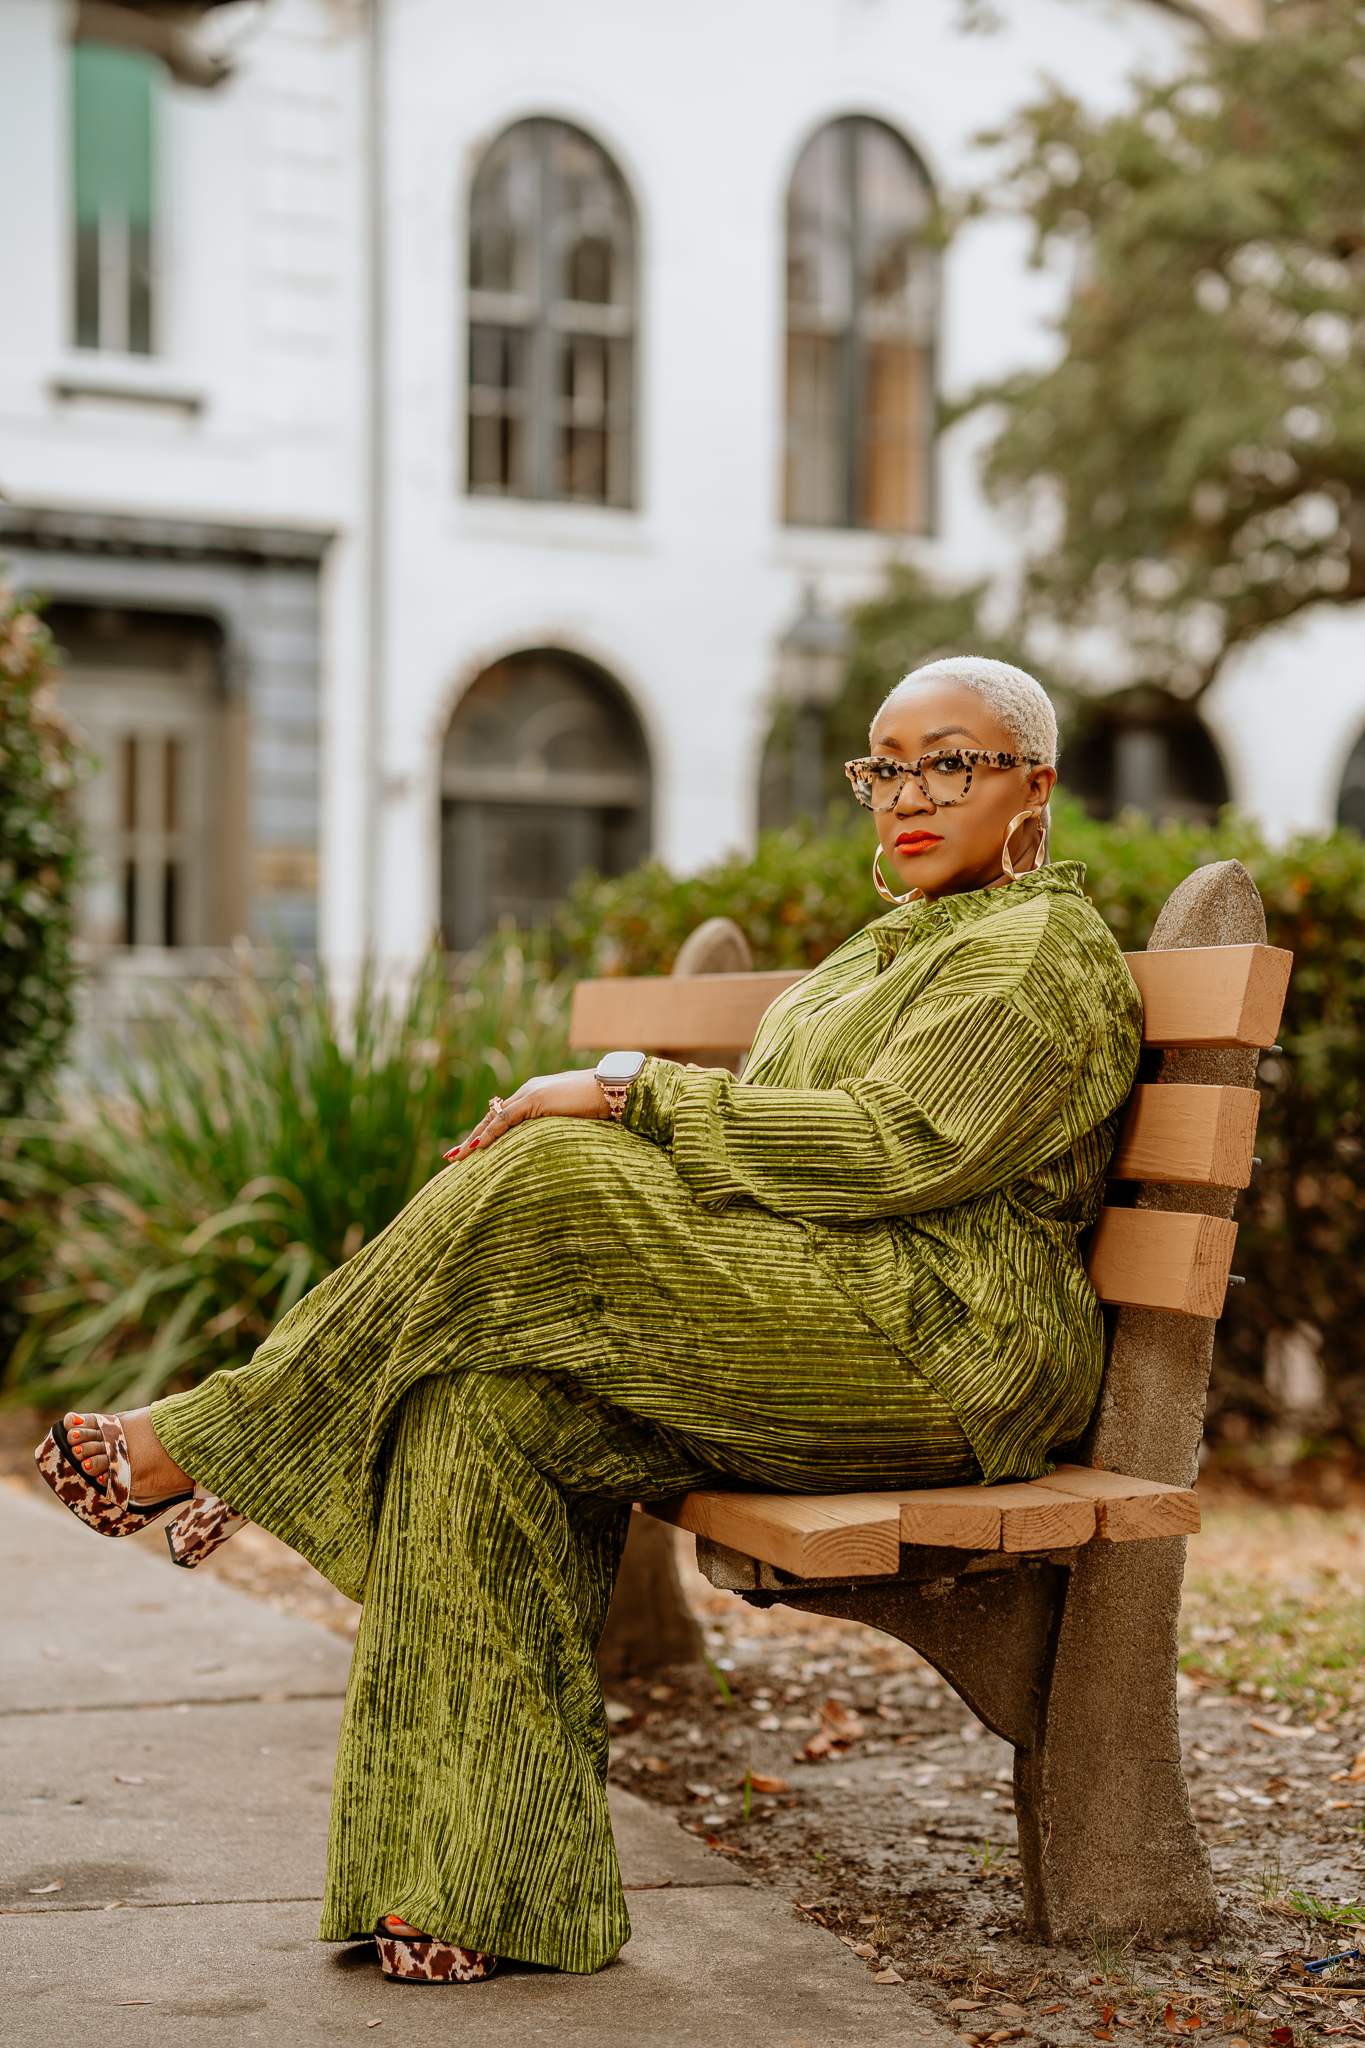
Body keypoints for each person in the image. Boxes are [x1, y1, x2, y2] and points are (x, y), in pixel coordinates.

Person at [36, 655, 1141, 1984]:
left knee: (556, 1166)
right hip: (807, 1323)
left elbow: (892, 1150)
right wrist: (640, 1115)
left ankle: (220, 1440)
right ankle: (471, 1884)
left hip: (946, 1352)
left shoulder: (1042, 952)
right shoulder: (890, 948)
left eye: (949, 761)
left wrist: (628, 1092)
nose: (907, 794)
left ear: (1035, 783)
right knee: (483, 1410)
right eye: (884, 765)